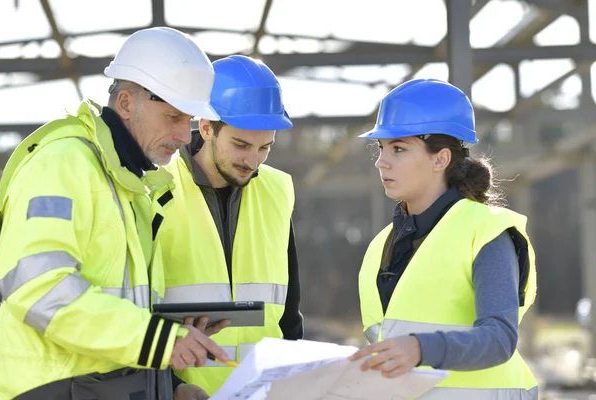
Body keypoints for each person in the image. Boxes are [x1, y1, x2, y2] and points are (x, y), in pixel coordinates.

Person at [0, 27, 229, 400]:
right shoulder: (63, 165)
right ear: (125, 103)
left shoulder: (131, 183)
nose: (185, 137)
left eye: (187, 122)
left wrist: (170, 383)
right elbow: (38, 289)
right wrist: (157, 339)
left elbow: (119, 310)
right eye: (172, 117)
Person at [348, 79, 538, 399]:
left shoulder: (486, 231)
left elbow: (500, 339)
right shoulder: (381, 246)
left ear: (441, 159)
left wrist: (422, 348)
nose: (382, 161)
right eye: (380, 149)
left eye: (398, 148)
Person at [158, 55, 304, 395]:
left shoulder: (277, 191)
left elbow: (289, 314)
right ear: (207, 126)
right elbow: (132, 310)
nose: (252, 161)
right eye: (240, 145)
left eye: (264, 148)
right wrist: (172, 388)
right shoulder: (155, 188)